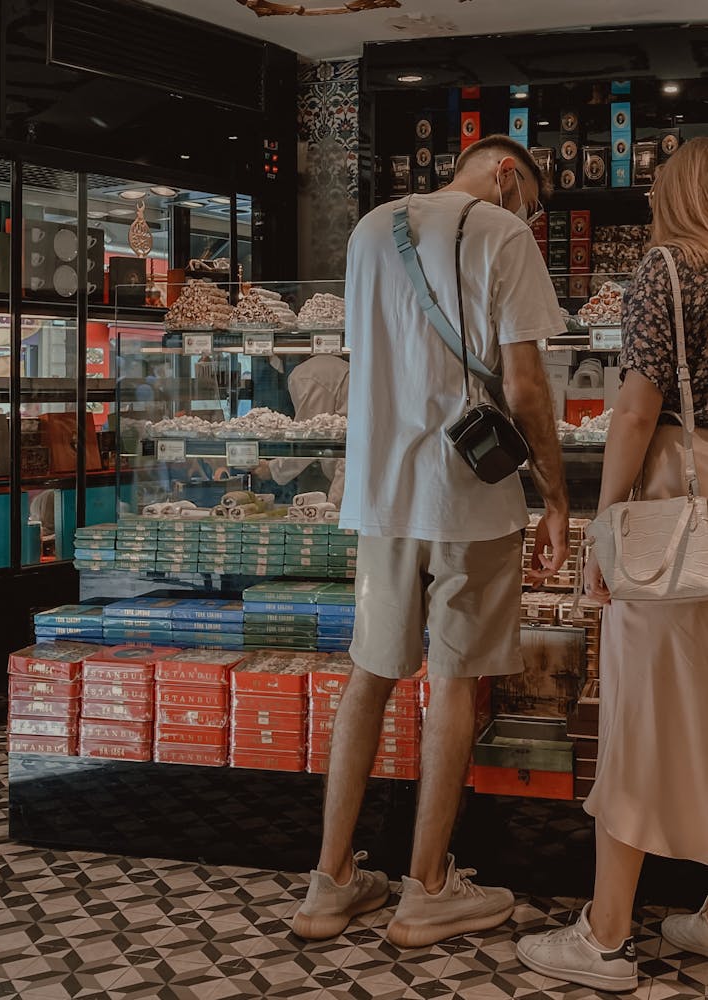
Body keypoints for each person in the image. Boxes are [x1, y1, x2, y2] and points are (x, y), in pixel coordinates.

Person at [292, 135, 569, 946]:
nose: (530, 219)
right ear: (507, 172)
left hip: (379, 492)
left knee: (368, 677)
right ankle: (428, 888)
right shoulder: (503, 232)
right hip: (468, 496)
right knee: (451, 682)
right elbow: (523, 385)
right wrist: (552, 494)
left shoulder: (370, 229)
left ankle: (329, 883)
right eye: (533, 204)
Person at [516, 137, 708, 992]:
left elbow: (634, 411)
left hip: (675, 504)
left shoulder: (666, 271)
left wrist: (606, 516)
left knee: (638, 716)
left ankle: (605, 936)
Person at [252, 353, 349, 505]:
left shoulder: (309, 374)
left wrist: (273, 469)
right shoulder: (346, 370)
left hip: (346, 472)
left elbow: (311, 436)